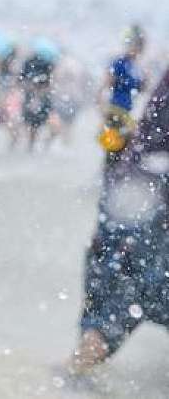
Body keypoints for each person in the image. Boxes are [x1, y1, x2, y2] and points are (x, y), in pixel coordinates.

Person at [64, 66, 169, 383]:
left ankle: (70, 377)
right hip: (147, 201)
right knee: (119, 298)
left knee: (109, 305)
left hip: (131, 194)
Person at [97, 26, 147, 164]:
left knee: (125, 147)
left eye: (139, 46)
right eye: (135, 45)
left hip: (129, 112)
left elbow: (142, 89)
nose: (137, 49)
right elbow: (105, 85)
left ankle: (113, 177)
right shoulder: (120, 63)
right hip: (115, 110)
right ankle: (108, 179)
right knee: (112, 148)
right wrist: (101, 107)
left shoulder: (137, 67)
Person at [18, 40, 58, 151]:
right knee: (42, 123)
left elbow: (21, 79)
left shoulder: (29, 62)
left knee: (32, 125)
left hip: (34, 96)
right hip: (40, 96)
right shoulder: (47, 63)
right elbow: (50, 81)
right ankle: (44, 146)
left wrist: (30, 87)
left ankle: (32, 147)